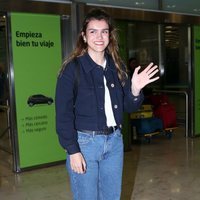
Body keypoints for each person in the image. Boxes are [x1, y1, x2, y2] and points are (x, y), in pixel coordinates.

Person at [55, 8, 159, 200]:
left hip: (114, 142)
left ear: (110, 36)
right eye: (93, 31)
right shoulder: (72, 69)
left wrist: (135, 90)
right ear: (84, 37)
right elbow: (63, 115)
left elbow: (128, 107)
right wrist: (73, 150)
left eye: (104, 31)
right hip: (85, 144)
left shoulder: (116, 67)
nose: (99, 37)